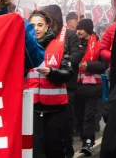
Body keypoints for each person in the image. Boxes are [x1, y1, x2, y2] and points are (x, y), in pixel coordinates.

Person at [26, 10, 75, 158]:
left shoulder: (59, 46)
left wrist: (51, 73)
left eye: (40, 25)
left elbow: (69, 73)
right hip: (31, 110)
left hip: (56, 111)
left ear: (47, 27)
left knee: (55, 151)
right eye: (32, 25)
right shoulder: (23, 47)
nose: (36, 28)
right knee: (34, 152)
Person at [42, 4, 82, 158]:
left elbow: (77, 54)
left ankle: (68, 150)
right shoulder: (42, 34)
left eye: (48, 18)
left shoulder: (70, 35)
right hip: (46, 88)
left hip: (67, 86)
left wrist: (59, 63)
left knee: (66, 124)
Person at [75, 19, 108, 156]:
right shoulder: (75, 45)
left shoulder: (98, 46)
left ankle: (87, 142)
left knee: (89, 116)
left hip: (93, 87)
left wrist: (88, 65)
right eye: (77, 28)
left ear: (88, 29)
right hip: (77, 86)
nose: (78, 32)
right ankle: (81, 137)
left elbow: (104, 66)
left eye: (81, 28)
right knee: (79, 116)